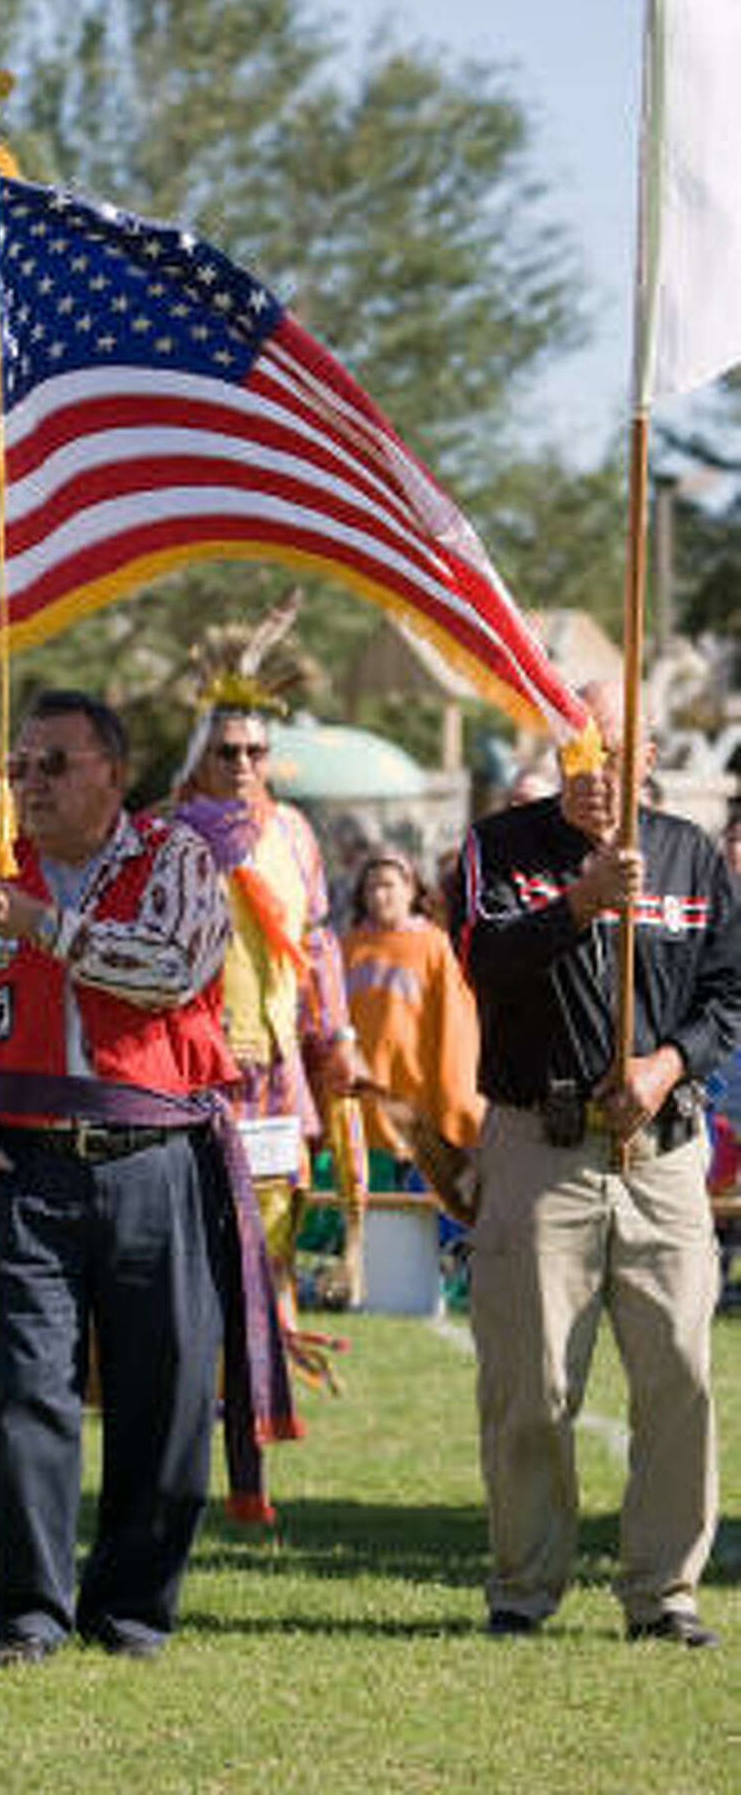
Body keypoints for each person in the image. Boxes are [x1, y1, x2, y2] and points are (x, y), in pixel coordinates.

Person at [0, 689, 293, 1664]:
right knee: (22, 1392)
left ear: (112, 775)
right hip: (31, 1170)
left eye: (56, 764)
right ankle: (27, 1613)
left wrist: (41, 926)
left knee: (163, 1393)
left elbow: (169, 968)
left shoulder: (178, 863)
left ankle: (130, 1609)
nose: (30, 783)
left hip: (156, 1163)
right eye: (22, 765)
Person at [450, 680, 741, 1646]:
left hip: (661, 1154)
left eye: (619, 752)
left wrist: (666, 1066)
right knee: (530, 1384)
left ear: (651, 756)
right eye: (582, 753)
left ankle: (664, 1595)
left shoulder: (693, 855)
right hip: (542, 1147)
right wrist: (577, 903)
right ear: (558, 755)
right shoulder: (502, 845)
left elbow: (728, 994)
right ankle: (523, 1590)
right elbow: (482, 962)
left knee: (679, 1380)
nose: (601, 773)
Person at [173, 622, 358, 1358]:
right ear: (201, 756)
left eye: (256, 751)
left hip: (274, 1063)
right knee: (194, 1217)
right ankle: (196, 1364)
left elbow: (317, 943)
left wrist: (336, 1038)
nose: (244, 763)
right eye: (228, 752)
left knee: (274, 1214)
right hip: (191, 1061)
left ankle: (263, 1363)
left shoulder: (295, 833)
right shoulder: (166, 837)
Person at [343, 846, 483, 1190]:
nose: (380, 895)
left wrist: (456, 1101)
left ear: (411, 889)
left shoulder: (434, 946)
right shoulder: (348, 947)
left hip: (416, 1099)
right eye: (371, 887)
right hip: (361, 1098)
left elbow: (456, 1029)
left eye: (389, 885)